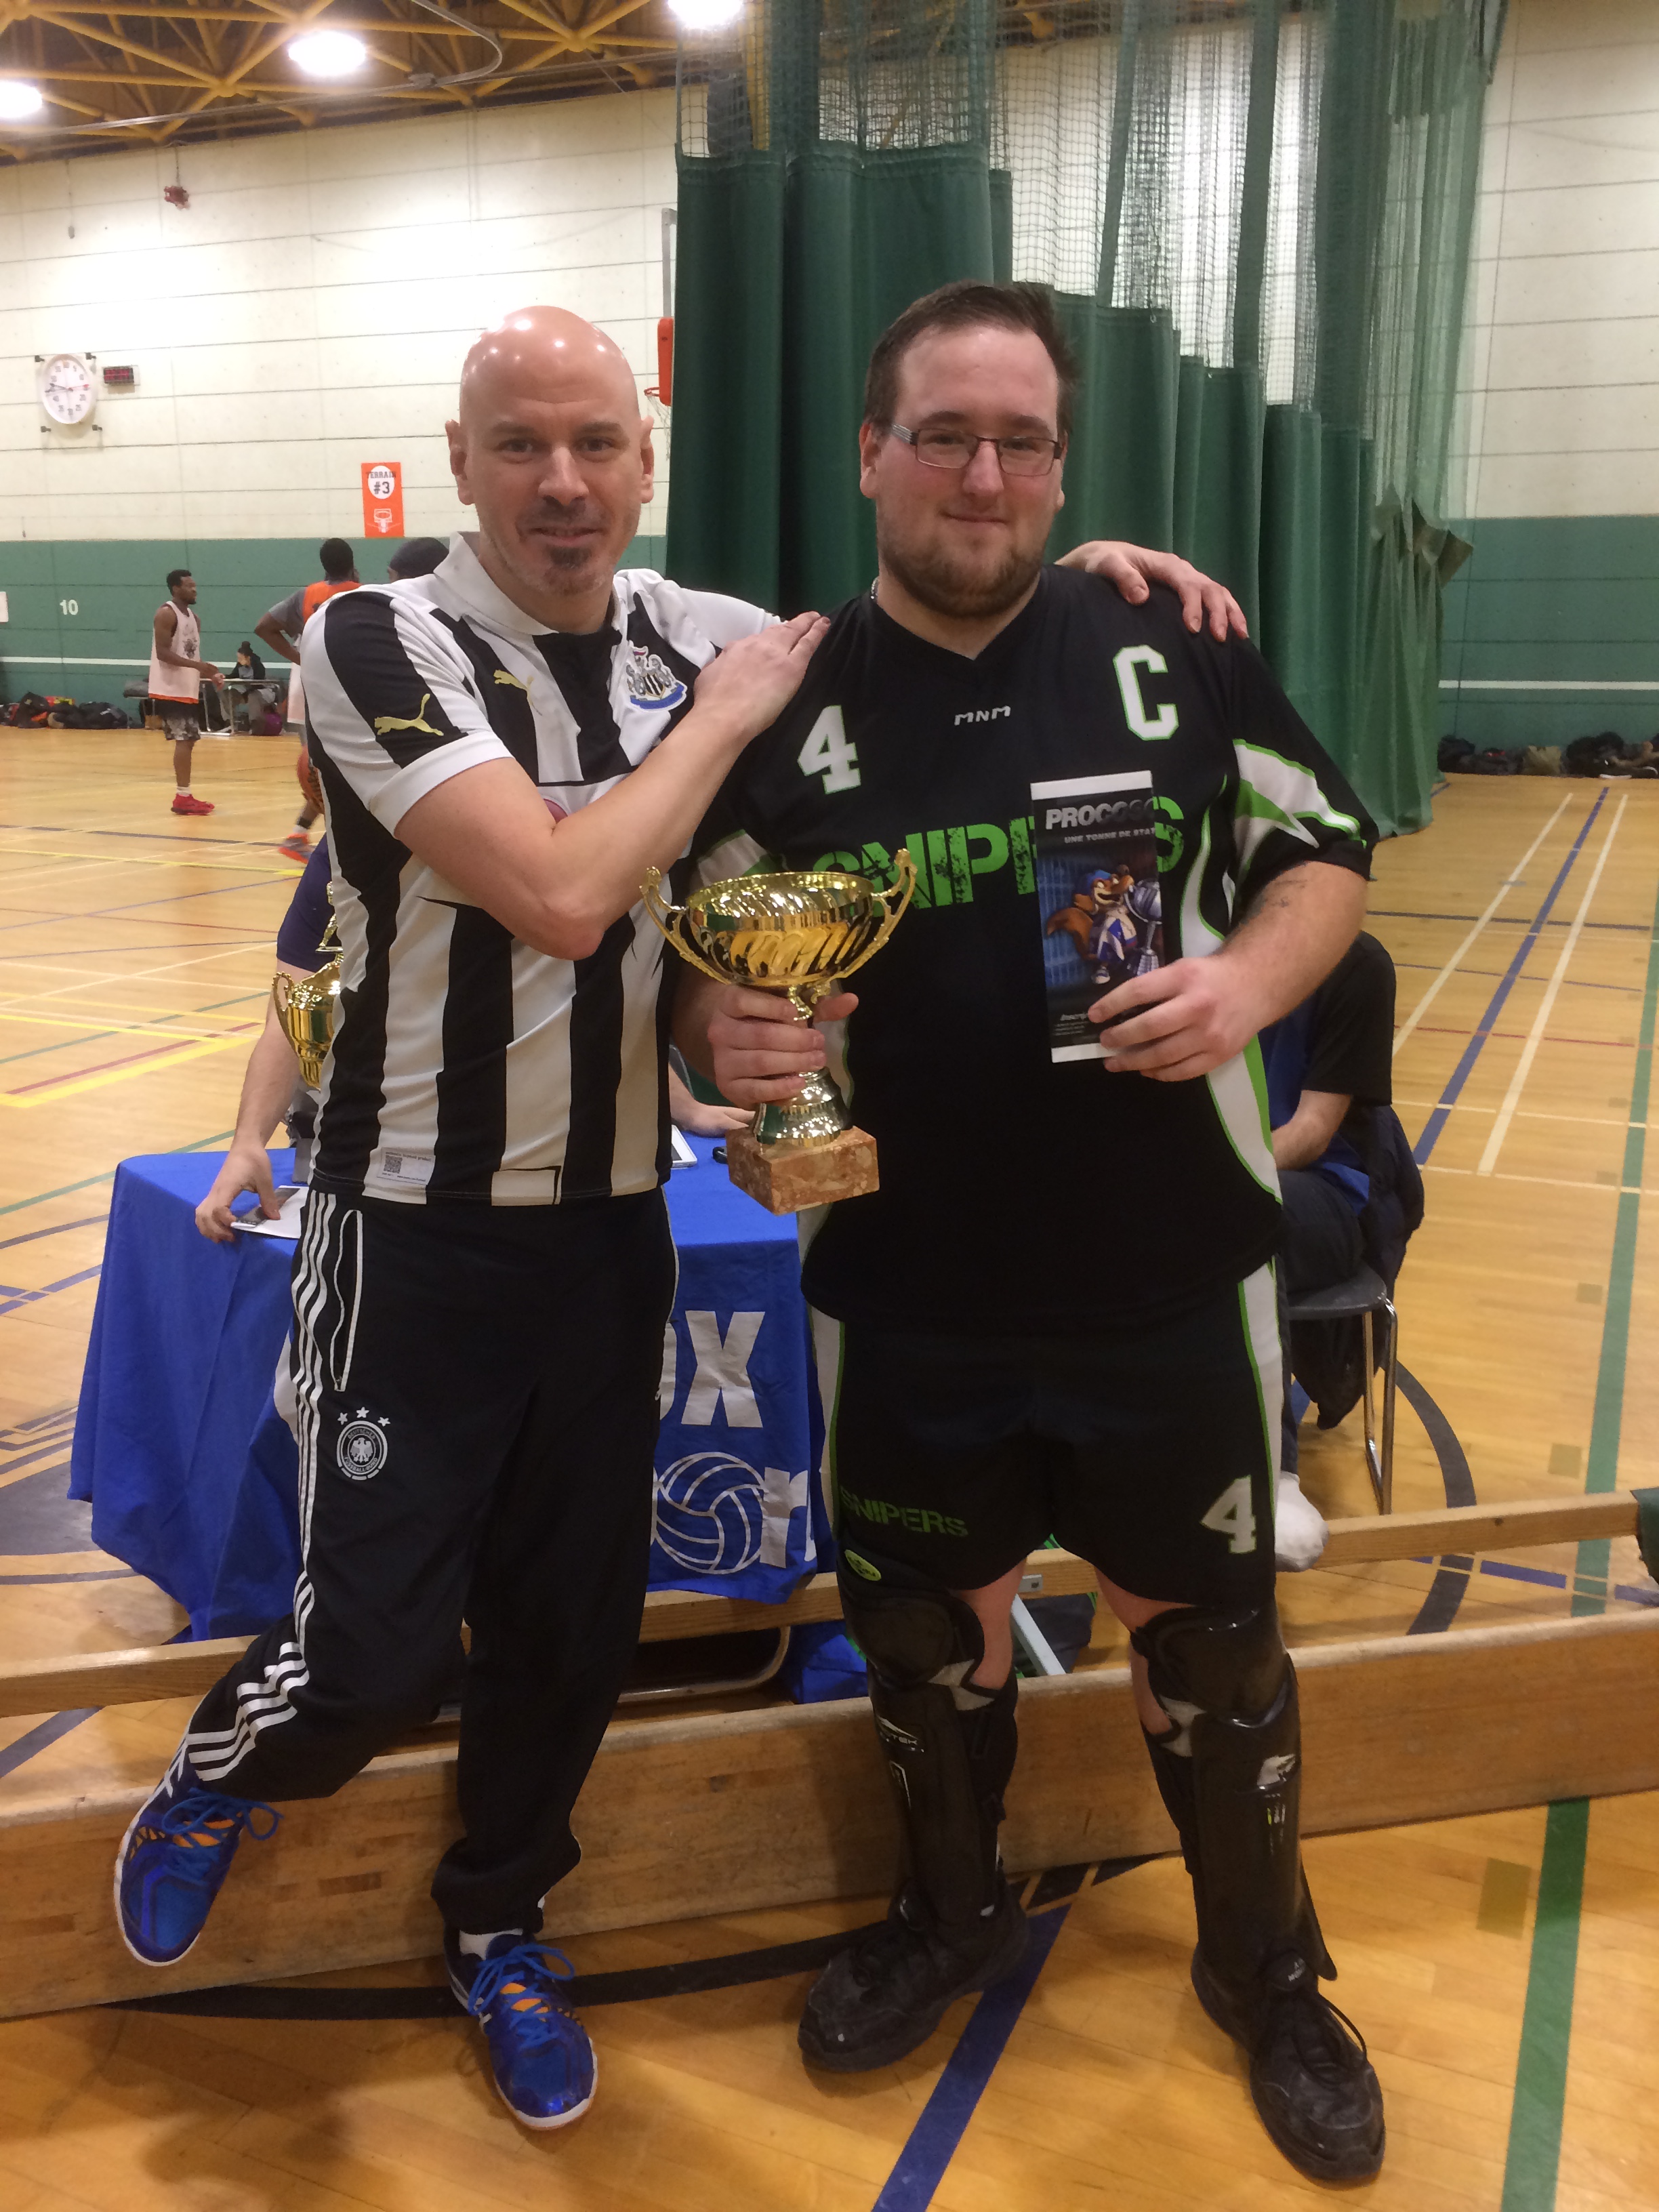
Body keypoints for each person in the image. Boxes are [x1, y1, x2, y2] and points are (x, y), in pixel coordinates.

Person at [116, 300, 1244, 2137]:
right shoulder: (377, 641)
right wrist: (721, 718)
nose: (563, 482)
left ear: (644, 459)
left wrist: (1092, 584)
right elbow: (565, 896)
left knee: (572, 1629)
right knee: (372, 1649)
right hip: (410, 1228)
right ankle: (216, 1773)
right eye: (520, 446)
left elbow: (929, 608)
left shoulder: (697, 632)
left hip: (613, 1226)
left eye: (597, 444)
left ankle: (500, 1924)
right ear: (460, 464)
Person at [676, 281, 1383, 2184]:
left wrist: (1243, 983)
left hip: (1169, 1276)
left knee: (1209, 1646)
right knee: (926, 1639)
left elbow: (1324, 856)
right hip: (904, 1289)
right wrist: (721, 1037)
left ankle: (1265, 1968)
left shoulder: (1169, 641)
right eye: (944, 436)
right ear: (871, 453)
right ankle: (946, 1913)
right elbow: (697, 968)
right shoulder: (779, 701)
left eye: (1021, 442)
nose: (982, 477)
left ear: (1063, 467)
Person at [1259, 932, 1399, 1570]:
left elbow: (1311, 1132)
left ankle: (1274, 1474)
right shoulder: (1190, 944)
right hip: (1206, 1185)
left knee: (1246, 1218)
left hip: (1323, 1194)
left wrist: (1211, 1177)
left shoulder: (1356, 966)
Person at [258, 540, 361, 860]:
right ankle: (329, 844)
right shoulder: (362, 594)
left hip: (308, 688)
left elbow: (264, 627)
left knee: (320, 770)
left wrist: (300, 658)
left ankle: (299, 834)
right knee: (337, 773)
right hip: (340, 691)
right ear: (353, 565)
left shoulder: (306, 596)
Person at [150, 568, 221, 816]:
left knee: (189, 740)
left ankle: (185, 795)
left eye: (195, 585)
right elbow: (163, 653)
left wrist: (209, 674)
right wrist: (198, 667)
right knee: (184, 739)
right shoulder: (166, 614)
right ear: (175, 588)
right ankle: (182, 796)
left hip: (187, 688)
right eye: (189, 586)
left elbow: (191, 656)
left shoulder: (194, 618)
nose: (194, 590)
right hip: (169, 688)